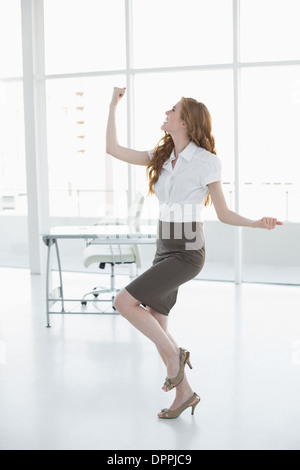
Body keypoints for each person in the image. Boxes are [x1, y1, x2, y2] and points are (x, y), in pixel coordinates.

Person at [106, 86, 283, 419]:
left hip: (188, 250)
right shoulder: (160, 156)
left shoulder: (206, 162)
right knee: (158, 323)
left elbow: (224, 213)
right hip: (164, 245)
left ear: (185, 122)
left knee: (123, 301)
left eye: (172, 110)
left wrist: (258, 223)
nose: (166, 113)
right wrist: (112, 107)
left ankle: (176, 357)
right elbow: (112, 149)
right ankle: (184, 395)